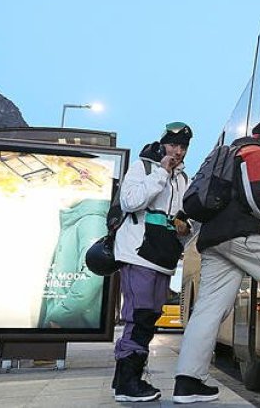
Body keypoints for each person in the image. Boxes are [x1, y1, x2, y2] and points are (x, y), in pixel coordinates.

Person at [173, 119, 260, 404]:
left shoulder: (233, 150)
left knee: (208, 309)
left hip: (213, 240)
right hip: (237, 234)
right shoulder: (257, 151)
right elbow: (256, 198)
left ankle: (187, 382)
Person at [111, 122, 194, 402]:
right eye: (173, 145)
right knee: (139, 315)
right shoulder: (143, 168)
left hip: (164, 257)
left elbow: (188, 217)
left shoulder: (184, 179)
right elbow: (131, 201)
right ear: (162, 144)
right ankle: (128, 382)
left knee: (150, 316)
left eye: (183, 147)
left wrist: (186, 226)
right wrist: (161, 171)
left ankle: (126, 379)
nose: (178, 151)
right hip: (137, 253)